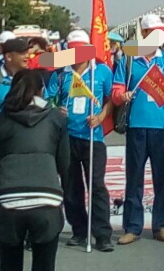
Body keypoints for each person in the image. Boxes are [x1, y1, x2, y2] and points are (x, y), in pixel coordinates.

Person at [0, 69, 69, 271]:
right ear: (42, 91)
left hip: (8, 200)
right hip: (47, 200)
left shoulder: (0, 121)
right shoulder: (56, 118)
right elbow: (64, 165)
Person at [113, 13, 164, 245]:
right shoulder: (129, 59)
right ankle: (133, 227)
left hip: (161, 128)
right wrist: (122, 96)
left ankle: (161, 226)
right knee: (134, 178)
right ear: (143, 34)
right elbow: (116, 90)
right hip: (136, 128)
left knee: (163, 179)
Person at [48, 30, 114, 251]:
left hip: (93, 137)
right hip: (67, 138)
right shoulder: (61, 74)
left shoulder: (101, 71)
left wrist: (101, 117)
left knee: (96, 186)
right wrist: (57, 110)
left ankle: (102, 234)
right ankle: (79, 230)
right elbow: (48, 100)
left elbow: (110, 100)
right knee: (71, 186)